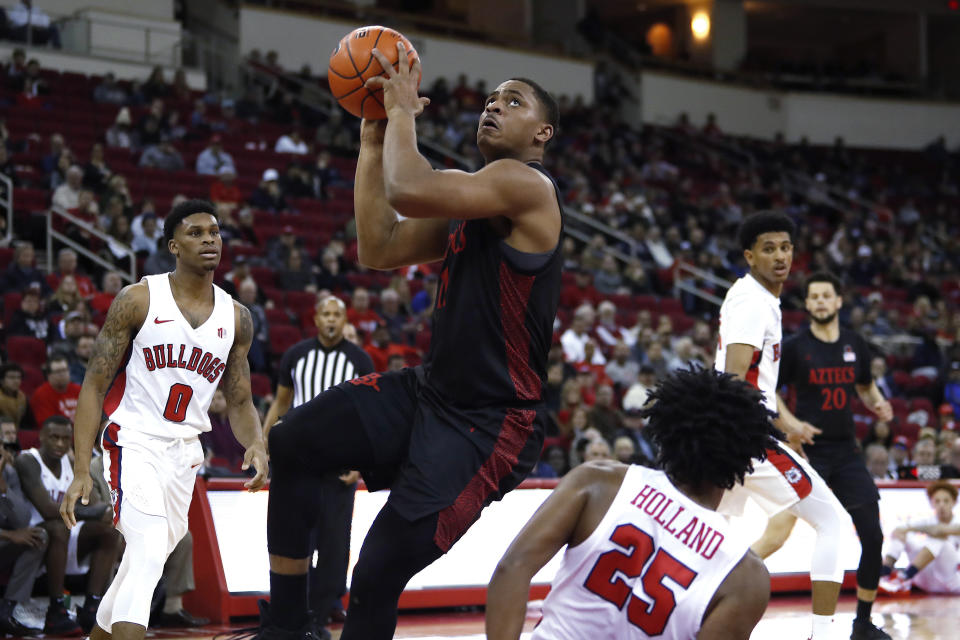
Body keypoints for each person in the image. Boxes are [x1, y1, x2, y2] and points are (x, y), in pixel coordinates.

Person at [258, 45, 563, 640]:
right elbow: (379, 246)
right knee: (292, 440)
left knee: (375, 573)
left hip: (489, 424)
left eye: (512, 101)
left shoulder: (527, 186)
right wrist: (373, 142)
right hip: (431, 393)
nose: (492, 108)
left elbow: (408, 189)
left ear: (542, 132)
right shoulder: (474, 199)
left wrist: (401, 112)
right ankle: (287, 627)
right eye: (489, 100)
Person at [58, 199, 269, 640]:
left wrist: (256, 443)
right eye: (195, 233)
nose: (208, 239)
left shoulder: (237, 317)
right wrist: (81, 468)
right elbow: (94, 385)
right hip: (132, 440)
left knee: (144, 561)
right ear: (173, 245)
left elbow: (240, 400)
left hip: (184, 455)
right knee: (150, 549)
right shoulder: (137, 299)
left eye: (214, 231)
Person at [486, 367, 776, 639]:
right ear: (745, 458)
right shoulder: (746, 577)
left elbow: (513, 567)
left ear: (665, 430)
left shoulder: (599, 481)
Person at [716, 212, 852, 640]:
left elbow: (755, 380)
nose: (780, 257)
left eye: (786, 247)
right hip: (742, 435)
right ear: (749, 255)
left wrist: (784, 425)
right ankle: (824, 634)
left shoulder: (761, 299)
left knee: (708, 538)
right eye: (769, 248)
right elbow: (734, 378)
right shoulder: (751, 302)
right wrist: (760, 431)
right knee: (832, 522)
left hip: (738, 431)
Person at [750, 272, 893, 640]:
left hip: (846, 452)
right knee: (777, 534)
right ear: (808, 304)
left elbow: (864, 384)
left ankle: (861, 624)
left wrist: (877, 403)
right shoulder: (796, 347)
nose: (820, 302)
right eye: (813, 297)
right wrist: (792, 423)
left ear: (839, 301)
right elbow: (770, 390)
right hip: (808, 453)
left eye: (826, 296)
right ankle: (714, 581)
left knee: (873, 536)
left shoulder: (855, 343)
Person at [262, 296, 374, 636]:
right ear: (315, 318)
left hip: (340, 464)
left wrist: (363, 464)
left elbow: (370, 415)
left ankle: (324, 610)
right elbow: (280, 403)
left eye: (337, 315)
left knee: (334, 543)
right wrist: (264, 447)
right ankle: (300, 611)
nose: (330, 320)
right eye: (325, 314)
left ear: (344, 320)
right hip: (297, 460)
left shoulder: (360, 359)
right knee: (297, 540)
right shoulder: (296, 355)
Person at [16, 416, 121, 634]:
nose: (60, 444)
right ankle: (56, 610)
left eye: (65, 439)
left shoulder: (72, 464)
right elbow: (47, 509)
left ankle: (93, 605)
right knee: (58, 526)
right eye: (54, 437)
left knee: (108, 532)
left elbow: (91, 502)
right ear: (42, 436)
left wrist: (104, 511)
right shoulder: (28, 460)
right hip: (36, 538)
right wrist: (96, 511)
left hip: (67, 535)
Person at [0, 428, 48, 637]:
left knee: (38, 536)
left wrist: (2, 488)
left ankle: (8, 609)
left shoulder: (8, 474)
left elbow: (21, 519)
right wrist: (8, 535)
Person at [878, 480, 960, 594]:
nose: (942, 505)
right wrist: (904, 531)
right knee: (903, 534)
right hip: (925, 580)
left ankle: (904, 577)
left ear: (954, 502)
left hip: (950, 582)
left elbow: (939, 530)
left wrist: (915, 528)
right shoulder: (927, 520)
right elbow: (897, 530)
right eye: (937, 501)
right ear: (931, 503)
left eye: (946, 501)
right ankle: (884, 574)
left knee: (940, 540)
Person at [29, 355, 81, 426]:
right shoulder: (41, 394)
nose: (62, 374)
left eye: (65, 370)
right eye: (58, 372)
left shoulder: (78, 389)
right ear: (49, 375)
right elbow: (48, 424)